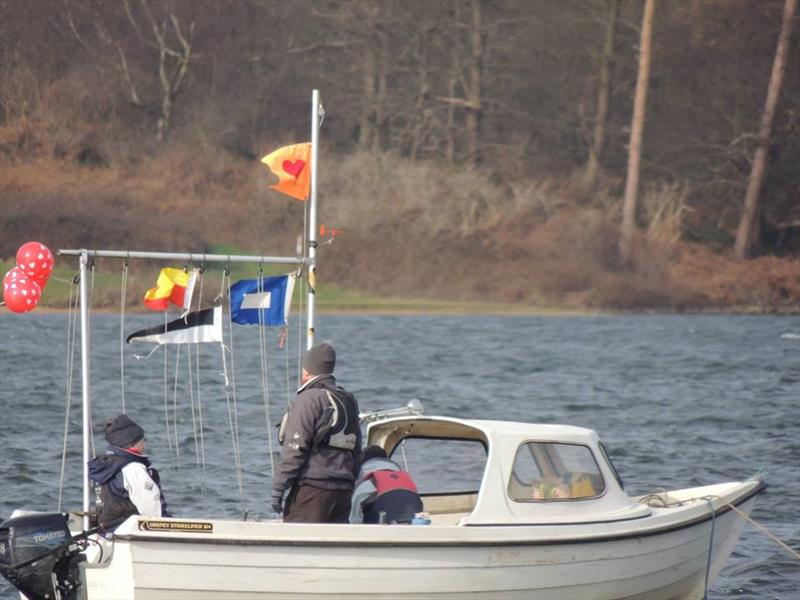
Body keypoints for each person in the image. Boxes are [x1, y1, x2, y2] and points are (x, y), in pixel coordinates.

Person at [271, 343, 362, 523]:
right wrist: (351, 483)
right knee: (334, 548)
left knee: (297, 546)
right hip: (343, 492)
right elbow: (357, 450)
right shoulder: (348, 399)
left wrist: (278, 489)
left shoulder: (309, 399)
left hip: (312, 490)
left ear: (306, 372)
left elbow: (295, 449)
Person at [88, 414, 169, 525]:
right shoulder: (134, 468)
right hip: (132, 535)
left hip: (109, 530)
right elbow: (152, 510)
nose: (144, 445)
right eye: (142, 441)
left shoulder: (105, 467)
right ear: (133, 444)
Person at [349, 445, 423, 524]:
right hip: (412, 522)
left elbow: (354, 517)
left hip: (382, 526)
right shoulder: (404, 478)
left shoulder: (369, 482)